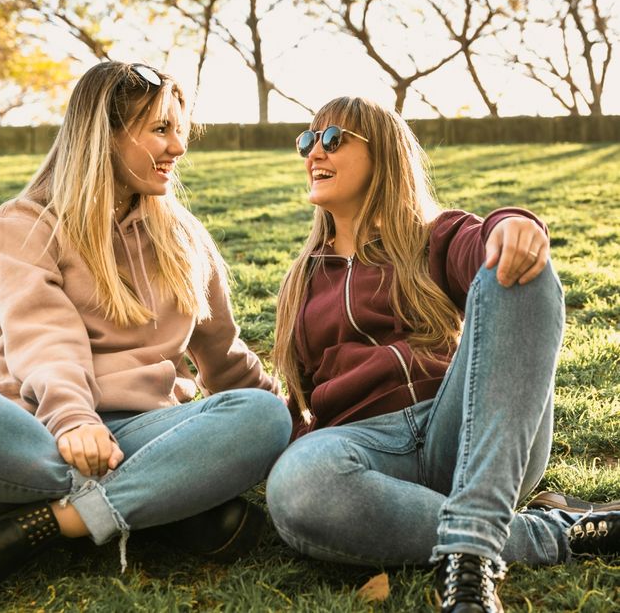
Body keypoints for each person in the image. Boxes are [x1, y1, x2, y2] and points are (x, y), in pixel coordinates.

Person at [0, 62, 292, 606]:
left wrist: (290, 419)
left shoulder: (185, 237)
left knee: (260, 416)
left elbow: (224, 353)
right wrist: (74, 420)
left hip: (143, 434)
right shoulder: (25, 222)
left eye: (179, 130)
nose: (178, 147)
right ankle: (162, 510)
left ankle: (40, 532)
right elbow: (43, 335)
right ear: (106, 135)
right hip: (33, 444)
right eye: (160, 130)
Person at [265, 97, 620, 613]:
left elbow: (484, 244)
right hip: (366, 454)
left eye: (332, 138)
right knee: (297, 486)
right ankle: (542, 532)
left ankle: (472, 556)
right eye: (306, 140)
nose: (313, 151)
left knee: (517, 271)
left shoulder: (434, 238)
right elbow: (303, 403)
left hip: (468, 434)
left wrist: (513, 225)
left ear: (383, 154)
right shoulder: (302, 282)